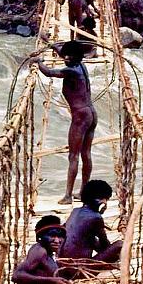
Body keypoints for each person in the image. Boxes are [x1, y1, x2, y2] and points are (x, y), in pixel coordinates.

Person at [36, 40, 96, 205]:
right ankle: (83, 191)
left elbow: (49, 72)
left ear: (75, 57)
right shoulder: (80, 65)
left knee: (73, 156)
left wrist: (37, 61)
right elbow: (66, 55)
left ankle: (68, 196)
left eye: (69, 56)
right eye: (66, 55)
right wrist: (53, 46)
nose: (66, 58)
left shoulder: (71, 71)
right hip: (91, 113)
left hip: (80, 116)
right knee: (86, 154)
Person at [60, 180, 122, 276]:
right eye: (105, 199)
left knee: (89, 238)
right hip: (80, 270)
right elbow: (105, 245)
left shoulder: (75, 211)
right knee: (120, 244)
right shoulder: (95, 218)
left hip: (64, 267)